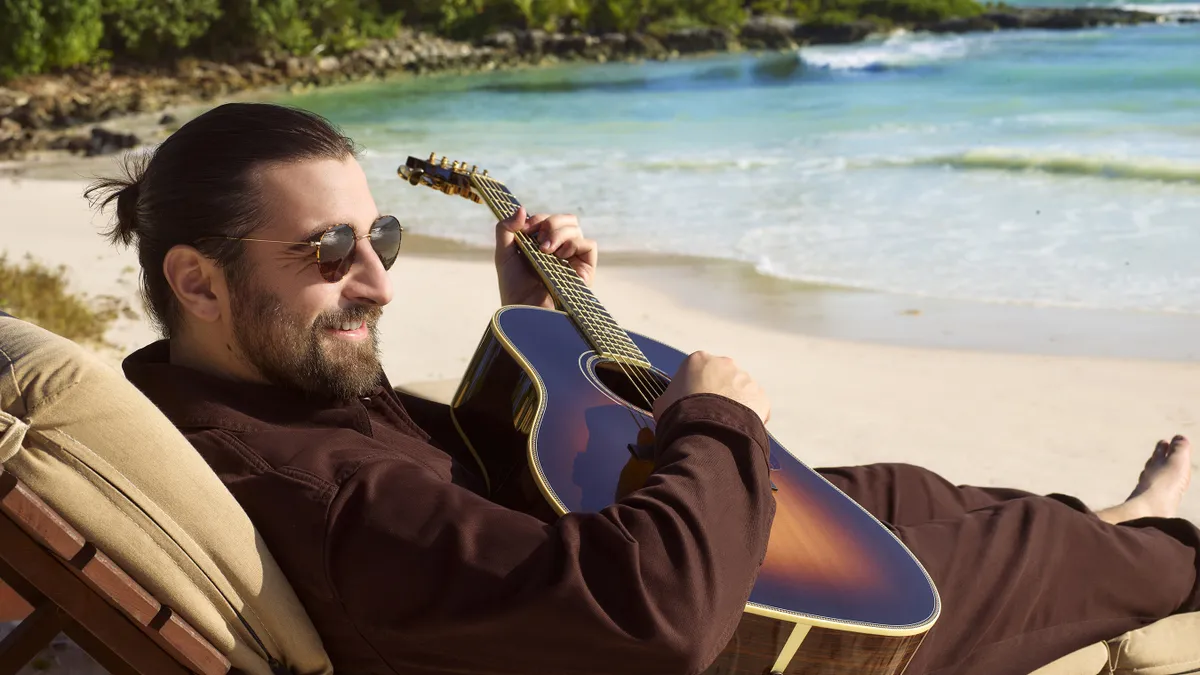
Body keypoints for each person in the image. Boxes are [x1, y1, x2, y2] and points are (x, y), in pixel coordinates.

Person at [89, 102, 1200, 675]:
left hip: (594, 556)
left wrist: (527, 309)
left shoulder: (218, 392)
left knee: (897, 488)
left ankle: (1119, 522)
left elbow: (461, 477)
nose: (379, 279)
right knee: (1001, 554)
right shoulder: (322, 488)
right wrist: (715, 416)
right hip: (709, 629)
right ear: (199, 280)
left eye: (379, 233)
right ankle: (1162, 548)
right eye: (332, 251)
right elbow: (651, 623)